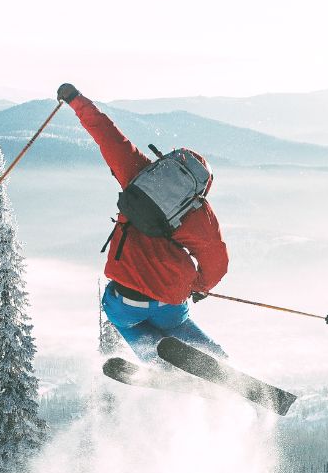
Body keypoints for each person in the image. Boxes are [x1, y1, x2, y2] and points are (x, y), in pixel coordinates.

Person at [57, 82, 229, 363]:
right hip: (170, 300)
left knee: (126, 321)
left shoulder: (138, 173)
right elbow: (216, 261)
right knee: (177, 325)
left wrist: (75, 100)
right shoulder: (199, 213)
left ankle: (156, 364)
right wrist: (200, 286)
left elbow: (107, 134)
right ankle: (222, 363)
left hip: (127, 300)